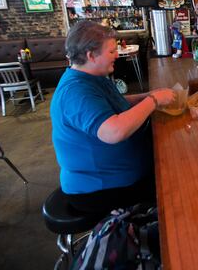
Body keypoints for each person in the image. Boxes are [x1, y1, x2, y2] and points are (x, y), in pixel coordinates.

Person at [50, 21, 176, 215]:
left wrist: (146, 95)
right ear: (91, 56)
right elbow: (114, 132)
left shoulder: (92, 76)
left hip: (119, 175)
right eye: (111, 52)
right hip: (99, 189)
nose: (117, 55)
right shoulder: (75, 92)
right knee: (176, 185)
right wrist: (153, 100)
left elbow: (114, 101)